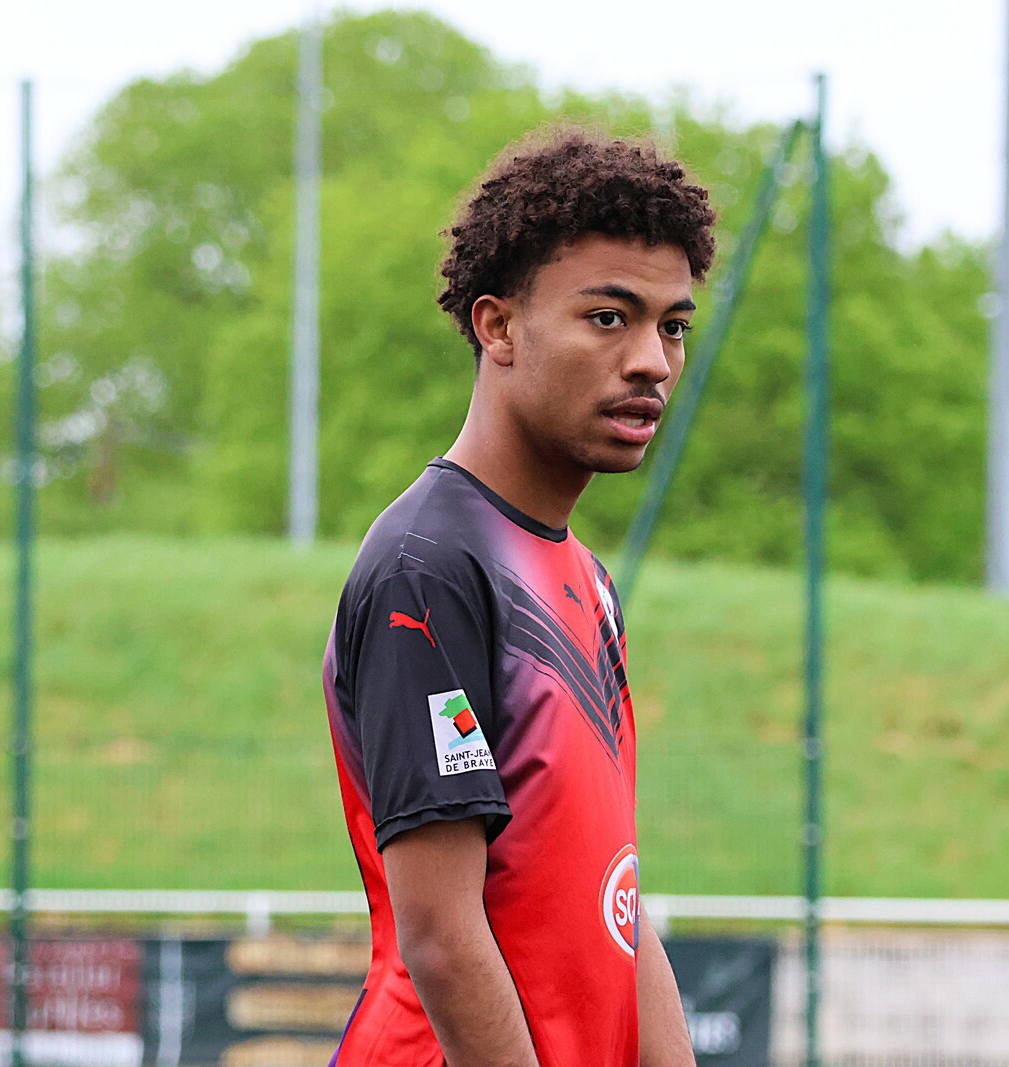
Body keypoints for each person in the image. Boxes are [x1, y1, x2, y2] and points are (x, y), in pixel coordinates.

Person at [320, 128, 717, 1066]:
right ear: (498, 327)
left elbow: (614, 900)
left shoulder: (588, 581)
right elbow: (443, 939)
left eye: (673, 326)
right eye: (609, 317)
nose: (653, 361)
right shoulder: (429, 568)